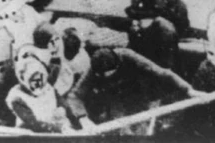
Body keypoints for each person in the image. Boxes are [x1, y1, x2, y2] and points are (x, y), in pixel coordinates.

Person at [72, 47, 203, 132]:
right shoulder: (94, 69)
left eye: (109, 74)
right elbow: (75, 95)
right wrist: (83, 118)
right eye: (102, 76)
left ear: (117, 65)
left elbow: (162, 72)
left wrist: (188, 89)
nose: (106, 77)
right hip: (114, 98)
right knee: (123, 131)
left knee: (142, 130)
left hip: (137, 93)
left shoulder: (128, 56)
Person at [5, 47, 73, 133]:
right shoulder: (16, 97)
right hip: (31, 136)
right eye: (34, 80)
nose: (38, 83)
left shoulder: (48, 89)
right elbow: (32, 123)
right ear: (25, 79)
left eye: (40, 79)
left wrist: (63, 111)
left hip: (56, 133)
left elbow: (66, 107)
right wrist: (58, 129)